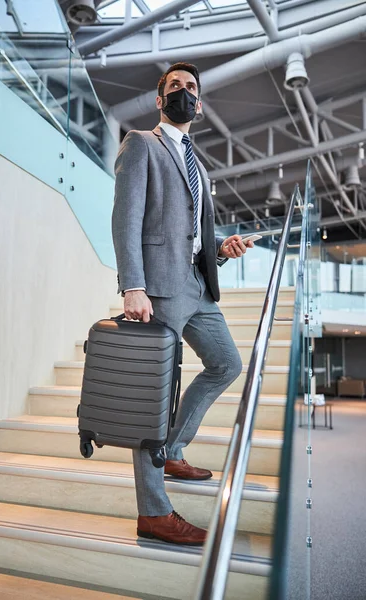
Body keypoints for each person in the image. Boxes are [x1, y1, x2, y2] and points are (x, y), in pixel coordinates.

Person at [112, 62, 254, 546]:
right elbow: (126, 219)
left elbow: (194, 238)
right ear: (160, 100)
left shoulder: (198, 162)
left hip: (197, 284)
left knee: (226, 364)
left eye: (191, 88)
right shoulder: (141, 143)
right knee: (153, 396)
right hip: (158, 289)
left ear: (200, 102)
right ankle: (153, 512)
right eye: (175, 86)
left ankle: (173, 447)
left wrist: (221, 250)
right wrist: (133, 285)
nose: (184, 92)